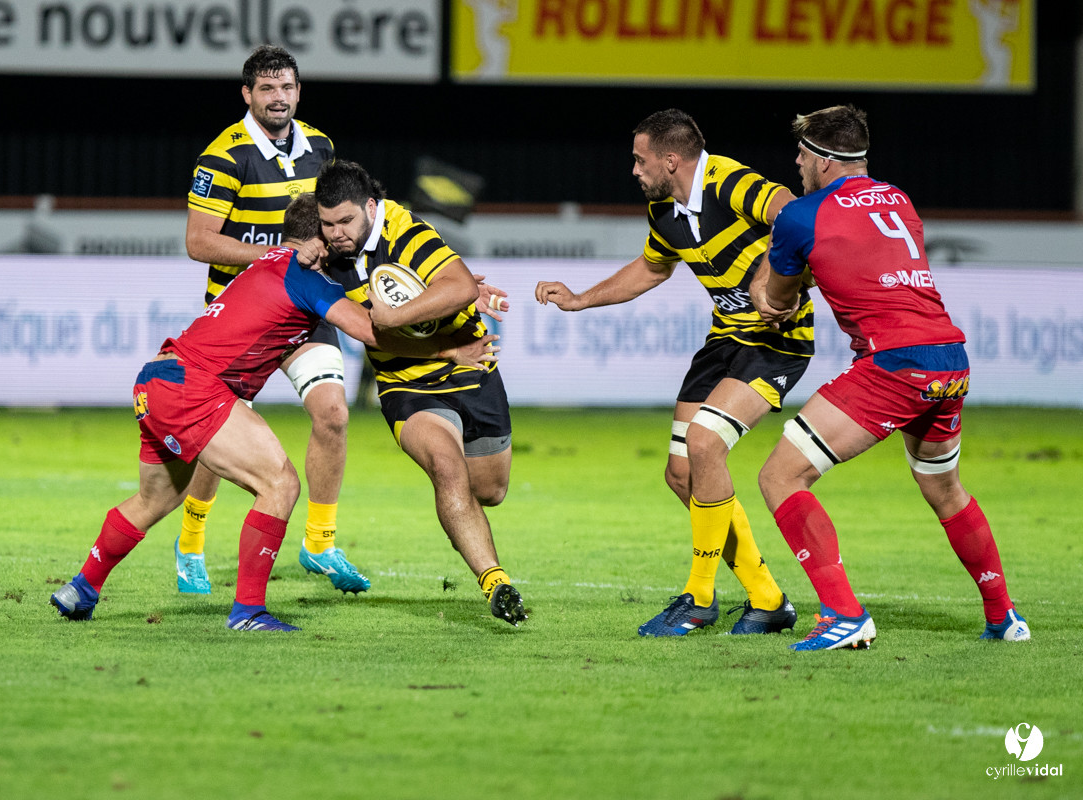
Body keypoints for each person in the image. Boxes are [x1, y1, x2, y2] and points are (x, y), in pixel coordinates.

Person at [50, 195, 498, 630]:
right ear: (316, 242)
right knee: (280, 483)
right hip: (196, 389)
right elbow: (372, 330)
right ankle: (248, 612)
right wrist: (449, 349)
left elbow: (371, 298)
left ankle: (81, 589)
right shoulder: (307, 276)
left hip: (157, 381)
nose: (344, 242)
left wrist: (452, 295)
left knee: (156, 499)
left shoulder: (271, 263)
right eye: (333, 234)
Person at [754, 104, 1030, 650]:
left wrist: (769, 292)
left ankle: (843, 615)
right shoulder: (898, 199)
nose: (797, 162)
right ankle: (1004, 617)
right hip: (948, 358)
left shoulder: (800, 216)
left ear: (826, 160)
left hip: (894, 363)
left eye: (804, 154)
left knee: (780, 476)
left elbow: (778, 299)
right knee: (943, 486)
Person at [535, 109, 811, 637]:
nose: (634, 170)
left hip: (775, 342)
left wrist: (781, 280)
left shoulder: (728, 181)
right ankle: (768, 598)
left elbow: (794, 215)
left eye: (640, 160)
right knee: (682, 474)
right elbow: (652, 269)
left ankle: (700, 598)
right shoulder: (664, 209)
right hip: (726, 339)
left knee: (706, 446)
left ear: (670, 159)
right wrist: (580, 299)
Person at [179, 45, 365, 596]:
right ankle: (190, 544)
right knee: (218, 437)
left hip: (302, 307)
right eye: (266, 89)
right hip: (241, 315)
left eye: (286, 87)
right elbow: (197, 242)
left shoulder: (322, 147)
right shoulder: (223, 156)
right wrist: (275, 257)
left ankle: (320, 542)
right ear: (247, 95)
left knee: (333, 413)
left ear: (299, 91)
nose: (278, 97)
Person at [313, 160, 528, 626]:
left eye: (346, 221)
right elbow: (374, 337)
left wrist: (398, 314)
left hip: (474, 369)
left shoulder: (407, 231)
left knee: (489, 491)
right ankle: (496, 583)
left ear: (371, 207)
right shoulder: (326, 255)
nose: (336, 234)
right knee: (446, 469)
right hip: (406, 385)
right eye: (327, 224)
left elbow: (460, 286)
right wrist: (443, 349)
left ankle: (462, 518)